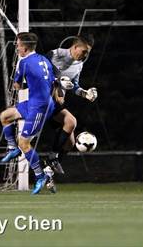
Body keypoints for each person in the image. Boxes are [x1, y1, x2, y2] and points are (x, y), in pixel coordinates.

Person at [0, 32, 56, 195]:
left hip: (40, 106)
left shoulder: (23, 62)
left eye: (17, 44)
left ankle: (41, 176)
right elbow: (51, 82)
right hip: (34, 102)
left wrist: (22, 84)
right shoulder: (44, 60)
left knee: (24, 143)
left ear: (24, 47)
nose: (16, 47)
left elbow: (17, 85)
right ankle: (12, 149)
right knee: (5, 117)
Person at [43, 34, 98, 182]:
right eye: (84, 51)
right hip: (42, 101)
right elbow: (41, 75)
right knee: (71, 122)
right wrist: (57, 83)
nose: (86, 55)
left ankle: (48, 173)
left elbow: (74, 85)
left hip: (56, 104)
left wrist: (85, 94)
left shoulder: (79, 64)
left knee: (70, 143)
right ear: (75, 47)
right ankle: (52, 159)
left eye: (88, 52)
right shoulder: (54, 54)